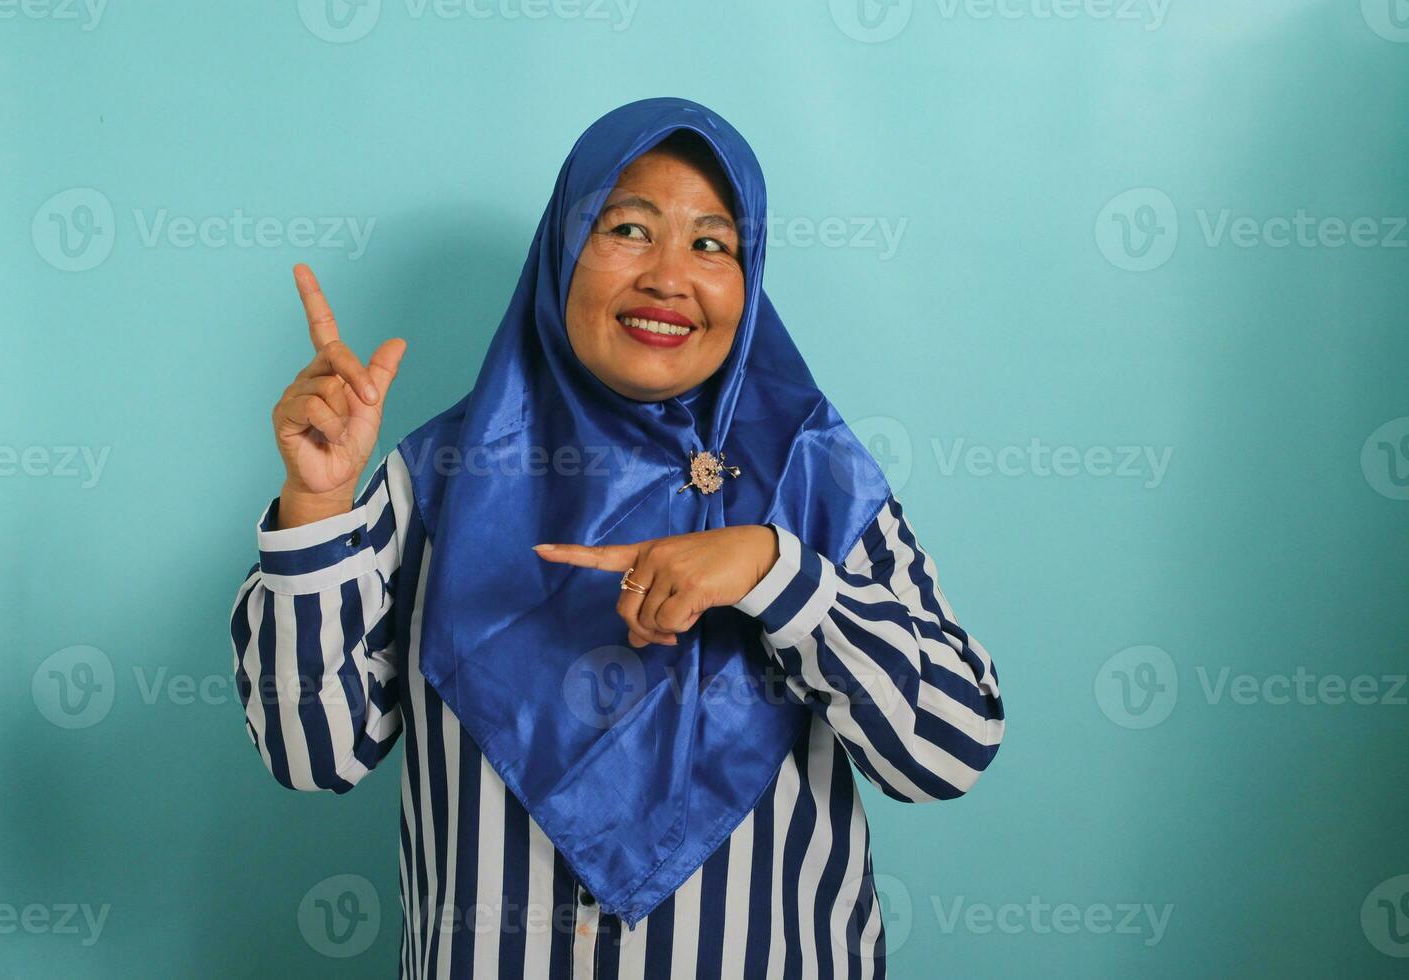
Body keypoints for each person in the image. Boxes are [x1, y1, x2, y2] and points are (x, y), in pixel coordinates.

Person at [230, 97, 1004, 979]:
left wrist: (775, 571)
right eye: (629, 229)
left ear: (749, 284)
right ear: (563, 251)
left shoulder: (813, 474)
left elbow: (951, 747)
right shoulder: (440, 475)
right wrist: (318, 504)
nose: (670, 277)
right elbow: (311, 753)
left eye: (713, 244)